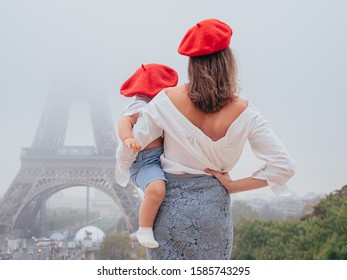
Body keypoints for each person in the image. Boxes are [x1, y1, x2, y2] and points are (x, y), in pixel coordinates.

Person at [116, 18, 296, 259]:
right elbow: (284, 167)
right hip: (213, 215)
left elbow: (130, 151)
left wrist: (130, 168)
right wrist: (233, 186)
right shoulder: (247, 114)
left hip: (168, 211)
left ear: (191, 63)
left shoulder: (165, 101)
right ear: (228, 62)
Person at [116, 63, 178, 248]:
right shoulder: (140, 105)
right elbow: (125, 121)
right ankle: (144, 229)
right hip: (144, 162)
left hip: (160, 159)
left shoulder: (160, 109)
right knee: (157, 189)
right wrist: (128, 138)